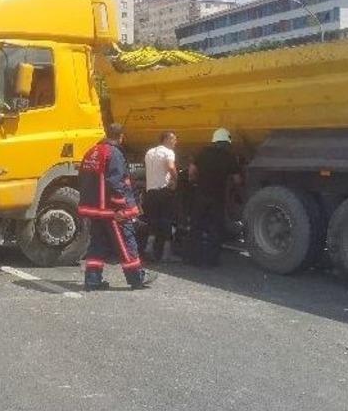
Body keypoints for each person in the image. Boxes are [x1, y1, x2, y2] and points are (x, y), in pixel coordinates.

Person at [78, 123, 156, 291]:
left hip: (94, 208)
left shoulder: (93, 151)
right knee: (126, 243)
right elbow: (116, 182)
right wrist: (121, 207)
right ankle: (137, 278)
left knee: (97, 244)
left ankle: (92, 280)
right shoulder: (115, 154)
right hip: (111, 210)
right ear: (121, 137)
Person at [187, 128, 241, 267]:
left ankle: (193, 258)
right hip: (217, 197)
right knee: (215, 228)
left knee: (197, 226)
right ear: (226, 143)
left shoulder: (203, 153)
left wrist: (194, 181)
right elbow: (237, 180)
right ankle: (211, 261)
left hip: (201, 195)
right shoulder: (229, 156)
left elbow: (192, 171)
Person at [143, 131, 179, 263]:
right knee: (166, 221)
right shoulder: (168, 152)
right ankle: (166, 253)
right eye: (174, 139)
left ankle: (149, 247)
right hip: (163, 191)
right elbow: (170, 167)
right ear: (166, 139)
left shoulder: (149, 152)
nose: (176, 142)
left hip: (150, 192)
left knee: (153, 220)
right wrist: (176, 180)